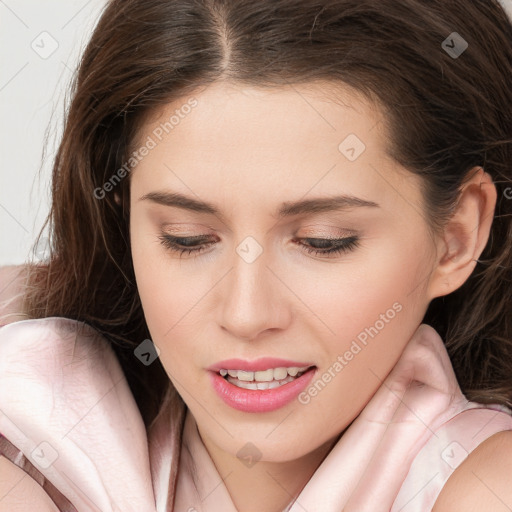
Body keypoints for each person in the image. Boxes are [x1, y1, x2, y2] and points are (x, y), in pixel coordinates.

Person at [1, 0, 512, 510]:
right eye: (187, 238)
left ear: (456, 235)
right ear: (123, 217)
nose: (246, 314)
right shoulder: (33, 424)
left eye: (323, 240)